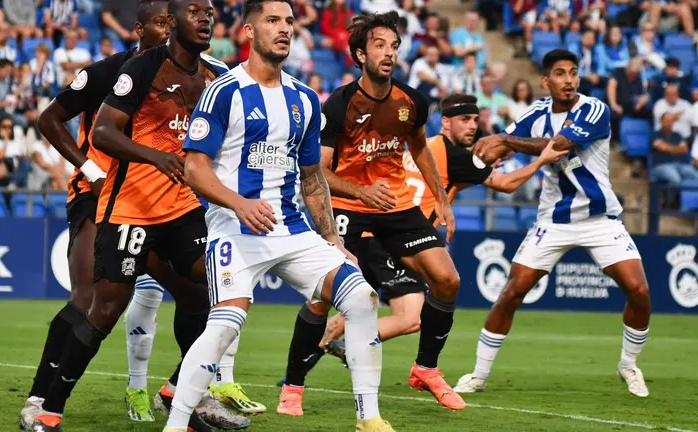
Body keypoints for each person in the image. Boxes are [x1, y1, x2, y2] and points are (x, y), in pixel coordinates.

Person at [23, 1, 248, 430]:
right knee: (91, 299)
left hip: (174, 203)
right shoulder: (113, 72)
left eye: (171, 20)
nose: (167, 28)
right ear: (141, 28)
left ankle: (184, 393)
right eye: (161, 22)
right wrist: (89, 170)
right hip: (104, 195)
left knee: (212, 291)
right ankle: (41, 400)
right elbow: (51, 119)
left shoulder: (208, 75)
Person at [170, 1, 391, 431]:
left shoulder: (305, 99)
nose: (284, 29)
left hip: (294, 231)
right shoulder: (224, 91)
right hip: (234, 229)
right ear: (249, 32)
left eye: (289, 21)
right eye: (273, 21)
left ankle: (369, 418)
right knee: (226, 324)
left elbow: (312, 178)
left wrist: (331, 237)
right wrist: (239, 203)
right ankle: (176, 425)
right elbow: (195, 168)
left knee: (361, 297)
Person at [277, 10, 465, 416]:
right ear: (360, 54)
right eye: (379, 45)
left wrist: (442, 200)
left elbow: (417, 147)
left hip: (396, 205)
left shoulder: (412, 100)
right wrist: (362, 189)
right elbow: (319, 172)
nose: (389, 53)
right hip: (348, 207)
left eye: (394, 46)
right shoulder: (340, 105)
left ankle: (426, 369)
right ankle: (293, 386)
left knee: (447, 281)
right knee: (322, 297)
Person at [298, 93, 568, 376]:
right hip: (397, 237)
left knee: (348, 300)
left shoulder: (425, 147)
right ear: (446, 123)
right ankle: (346, 345)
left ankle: (301, 367)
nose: (472, 126)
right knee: (412, 317)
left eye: (476, 120)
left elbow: (442, 186)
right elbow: (506, 184)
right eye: (465, 120)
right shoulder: (456, 155)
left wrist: (472, 174)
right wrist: (542, 161)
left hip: (376, 231)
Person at [457, 49, 651, 399]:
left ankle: (628, 365)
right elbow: (501, 147)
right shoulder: (536, 113)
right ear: (545, 82)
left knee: (639, 291)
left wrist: (502, 140)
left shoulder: (594, 109)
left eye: (574, 72)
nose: (570, 80)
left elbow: (556, 146)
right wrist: (475, 159)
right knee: (511, 293)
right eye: (560, 74)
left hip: (599, 218)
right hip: (554, 220)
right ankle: (479, 374)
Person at [651, 112, 698, 207]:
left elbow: (684, 149)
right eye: (667, 120)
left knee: (696, 177)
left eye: (671, 121)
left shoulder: (678, 135)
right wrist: (676, 149)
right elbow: (662, 147)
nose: (669, 123)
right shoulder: (655, 134)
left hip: (681, 165)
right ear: (661, 121)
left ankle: (691, 206)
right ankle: (670, 204)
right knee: (675, 179)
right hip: (661, 166)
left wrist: (668, 148)